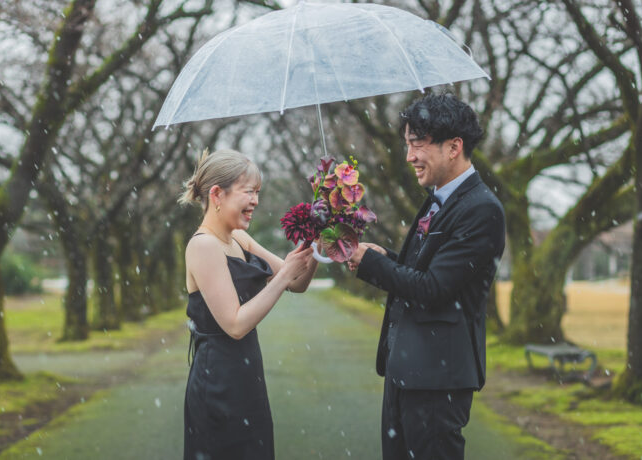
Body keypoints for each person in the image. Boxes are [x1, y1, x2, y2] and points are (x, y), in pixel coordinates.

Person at [348, 94, 506, 460]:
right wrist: (378, 256)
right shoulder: (439, 198)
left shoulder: (481, 209)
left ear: (454, 147)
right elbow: (421, 271)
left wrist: (373, 266)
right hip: (405, 370)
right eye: (407, 145)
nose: (409, 157)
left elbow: (434, 289)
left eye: (417, 145)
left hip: (438, 379)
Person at [180, 148, 318, 460]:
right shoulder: (203, 246)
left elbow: (297, 282)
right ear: (217, 193)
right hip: (218, 381)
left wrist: (319, 239)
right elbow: (236, 324)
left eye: (258, 192)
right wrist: (284, 277)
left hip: (246, 376)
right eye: (248, 192)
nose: (255, 201)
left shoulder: (239, 239)